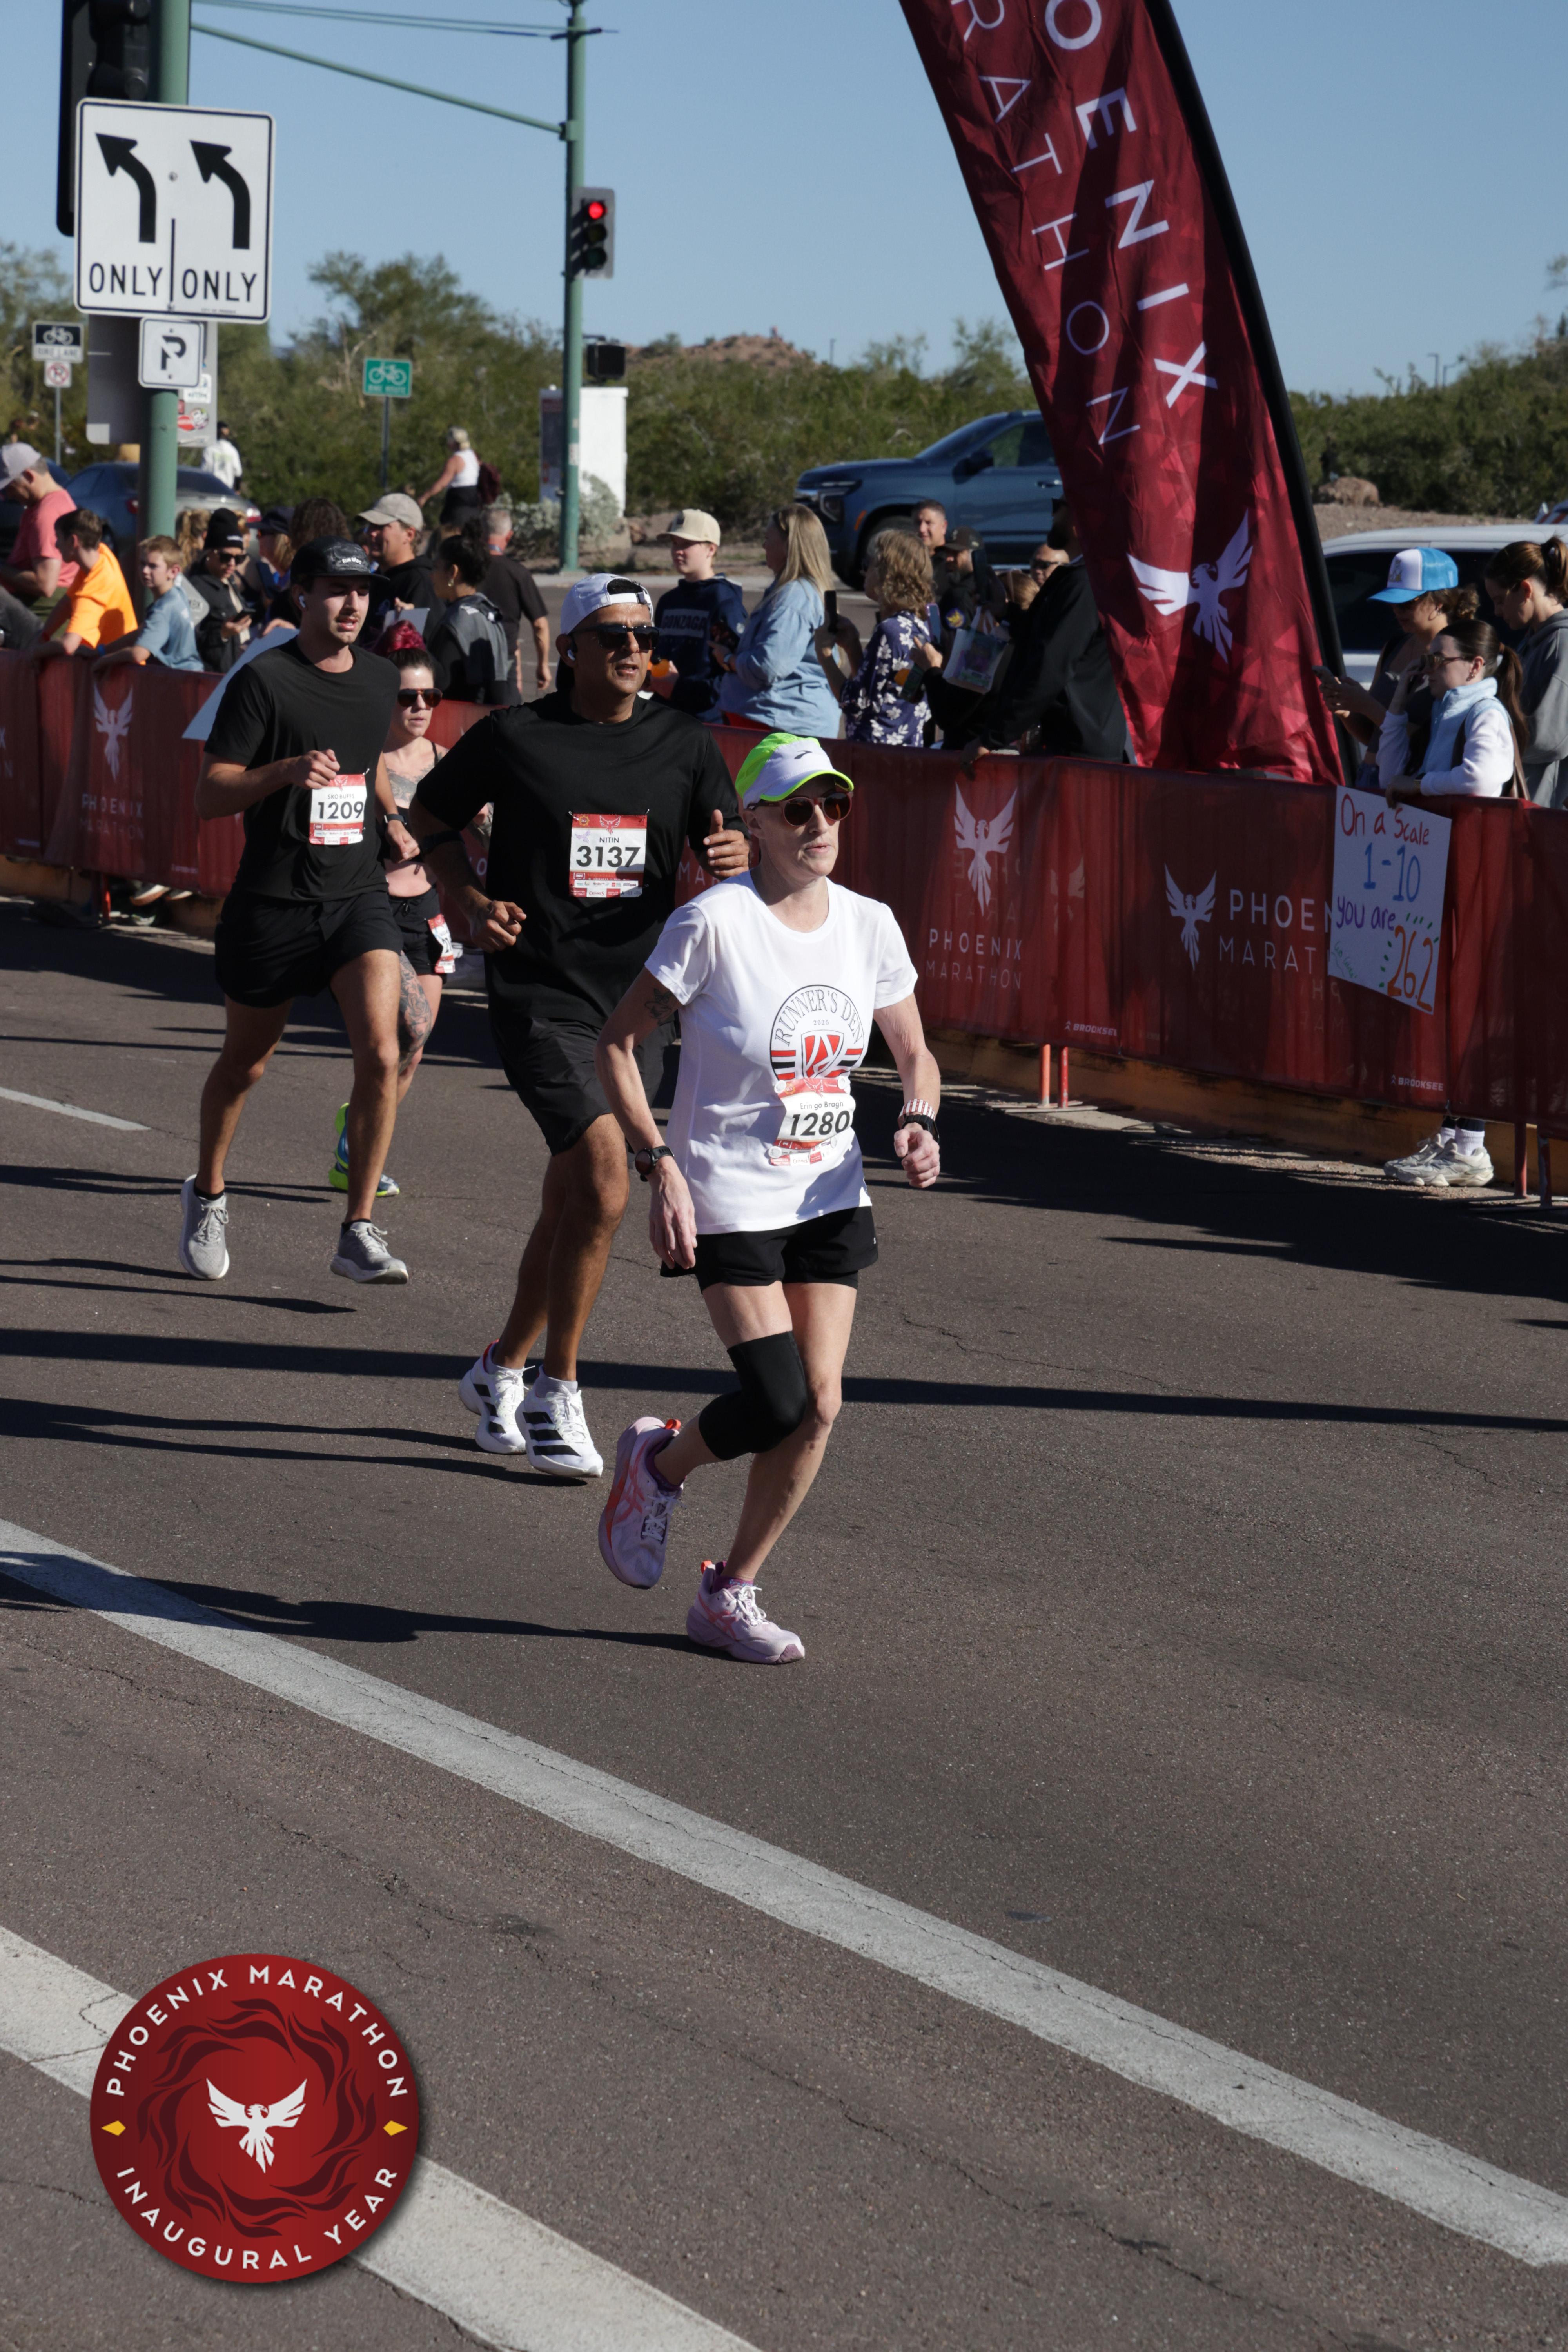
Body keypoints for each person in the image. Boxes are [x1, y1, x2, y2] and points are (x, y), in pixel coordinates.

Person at [593, 730, 941, 1663]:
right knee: (778, 1399)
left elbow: (914, 1051)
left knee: (820, 1406)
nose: (819, 823)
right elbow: (616, 1045)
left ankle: (729, 1592)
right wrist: (659, 1164)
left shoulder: (868, 924)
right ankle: (658, 1466)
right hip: (731, 1194)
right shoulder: (713, 924)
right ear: (753, 820)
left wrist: (918, 1120)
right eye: (797, 809)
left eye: (833, 804)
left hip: (829, 1189)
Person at [397, 574, 750, 1473]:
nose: (634, 650)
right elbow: (426, 813)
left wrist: (735, 849)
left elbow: (730, 837)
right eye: (613, 636)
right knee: (604, 1177)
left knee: (572, 1199)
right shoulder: (516, 736)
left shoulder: (683, 743)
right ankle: (557, 1392)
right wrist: (466, 895)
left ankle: (499, 1368)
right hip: (539, 993)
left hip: (637, 1010)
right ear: (571, 651)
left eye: (644, 637)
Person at [178, 536, 417, 1288]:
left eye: (364, 592)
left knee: (383, 1051)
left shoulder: (380, 678)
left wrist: (392, 820)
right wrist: (284, 770)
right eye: (337, 590)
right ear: (302, 594)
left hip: (355, 893)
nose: (353, 605)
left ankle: (358, 1230)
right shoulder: (265, 680)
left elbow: (369, 762)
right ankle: (208, 1193)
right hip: (274, 901)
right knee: (245, 1065)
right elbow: (209, 794)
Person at [1377, 616, 1530, 1194]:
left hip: (1478, 880)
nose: (1430, 669)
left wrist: (1421, 787)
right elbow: (1391, 775)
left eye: (1439, 660)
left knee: (1471, 1008)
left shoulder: (1484, 713)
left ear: (1476, 666)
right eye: (1428, 660)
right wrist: (1398, 702)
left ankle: (1468, 1145)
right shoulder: (1443, 711)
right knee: (1447, 1006)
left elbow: (1482, 779)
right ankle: (1452, 1136)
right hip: (1444, 877)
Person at [328, 641, 454, 1201]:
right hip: (373, 910)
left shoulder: (448, 763)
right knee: (403, 1034)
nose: (420, 706)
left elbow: (488, 833)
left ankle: (356, 1145)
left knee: (414, 1051)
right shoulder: (363, 762)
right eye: (408, 697)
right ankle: (359, 1149)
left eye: (431, 696)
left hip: (427, 914)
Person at [922, 508, 1129, 760]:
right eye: (1035, 564)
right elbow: (1044, 637)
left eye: (1060, 508)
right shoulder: (1078, 578)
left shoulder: (1085, 583)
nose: (1052, 515)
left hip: (1076, 753)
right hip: (1068, 747)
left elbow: (1050, 666)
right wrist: (1006, 612)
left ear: (1078, 520)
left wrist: (991, 739)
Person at [1316, 550, 1476, 784]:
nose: (1396, 610)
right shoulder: (1394, 647)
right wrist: (1347, 711)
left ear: (1440, 602)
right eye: (1393, 602)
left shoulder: (1457, 659)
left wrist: (1367, 705)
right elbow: (1373, 736)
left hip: (1413, 787)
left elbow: (1436, 742)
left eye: (1407, 603)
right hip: (1370, 778)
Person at [714, 503, 840, 736]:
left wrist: (730, 660)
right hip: (778, 720)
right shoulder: (795, 591)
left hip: (782, 724)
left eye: (768, 539)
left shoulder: (795, 596)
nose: (764, 546)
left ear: (789, 545)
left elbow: (770, 666)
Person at [825, 530, 933, 747]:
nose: (863, 571)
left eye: (868, 564)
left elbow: (856, 702)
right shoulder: (918, 624)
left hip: (875, 754)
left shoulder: (890, 631)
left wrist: (825, 656)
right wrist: (853, 648)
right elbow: (881, 692)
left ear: (888, 574)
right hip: (906, 752)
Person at [1482, 537, 1568, 806]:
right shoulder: (1535, 641)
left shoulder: (1562, 644)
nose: (1497, 612)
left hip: (1544, 809)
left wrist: (1485, 740)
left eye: (1500, 600)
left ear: (1525, 589)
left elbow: (1548, 739)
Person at [651, 508, 747, 718]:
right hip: (665, 715)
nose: (677, 551)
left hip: (706, 721)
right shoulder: (668, 601)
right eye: (674, 543)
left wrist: (680, 689)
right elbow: (659, 658)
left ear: (711, 549)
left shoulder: (724, 601)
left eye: (686, 544)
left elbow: (737, 675)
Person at [465, 506, 551, 699]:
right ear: (509, 535)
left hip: (466, 658)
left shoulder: (466, 569)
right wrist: (543, 665)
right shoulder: (518, 573)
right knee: (505, 713)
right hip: (504, 660)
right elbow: (540, 624)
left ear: (481, 533)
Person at [0, 443, 76, 650]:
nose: (8, 496)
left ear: (29, 476)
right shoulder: (56, 501)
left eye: (9, 487)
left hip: (40, 620)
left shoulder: (46, 515)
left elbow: (46, 584)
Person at [30, 510, 135, 659]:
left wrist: (36, 652)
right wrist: (44, 635)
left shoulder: (95, 589)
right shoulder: (102, 555)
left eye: (59, 538)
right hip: (115, 665)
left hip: (118, 670)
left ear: (73, 541)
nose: (56, 545)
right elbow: (67, 602)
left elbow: (69, 645)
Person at [94, 537, 203, 673]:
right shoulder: (178, 594)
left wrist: (105, 661)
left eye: (153, 566)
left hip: (180, 680)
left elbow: (139, 654)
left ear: (174, 572)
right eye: (142, 563)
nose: (145, 570)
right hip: (191, 676)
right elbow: (144, 631)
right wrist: (102, 651)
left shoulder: (163, 609)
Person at [425, 535, 512, 706]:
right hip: (489, 713)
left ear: (453, 572)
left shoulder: (457, 620)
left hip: (461, 716)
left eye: (436, 567)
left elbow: (442, 683)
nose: (431, 575)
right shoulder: (488, 610)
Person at [185, 508, 258, 674]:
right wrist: (222, 633)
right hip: (211, 676)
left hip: (234, 671)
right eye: (226, 557)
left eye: (239, 558)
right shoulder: (196, 587)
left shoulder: (229, 582)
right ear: (209, 553)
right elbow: (188, 641)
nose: (232, 564)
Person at [358, 492, 441, 637]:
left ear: (409, 535)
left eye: (381, 526)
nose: (371, 533)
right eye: (371, 526)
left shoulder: (421, 582)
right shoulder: (376, 579)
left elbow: (423, 646)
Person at [420, 427, 482, 528]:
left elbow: (442, 483)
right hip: (474, 499)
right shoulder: (473, 455)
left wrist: (425, 497)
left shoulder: (456, 460)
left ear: (454, 443)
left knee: (450, 529)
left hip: (459, 500)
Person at [242, 506, 292, 614]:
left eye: (261, 533)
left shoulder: (297, 581)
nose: (257, 537)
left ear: (282, 539)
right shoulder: (279, 577)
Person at [205, 421, 244, 492]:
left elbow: (204, 470)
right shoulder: (232, 451)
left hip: (212, 490)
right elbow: (238, 472)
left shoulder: (209, 450)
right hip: (227, 490)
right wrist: (237, 488)